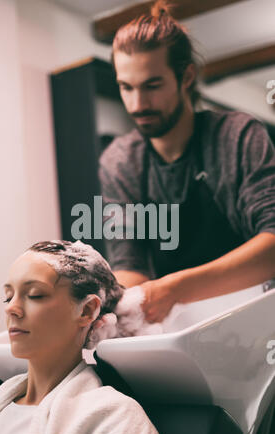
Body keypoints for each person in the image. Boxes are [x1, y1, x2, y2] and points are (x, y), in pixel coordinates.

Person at [98, 0, 275, 324]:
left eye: (153, 86)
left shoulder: (237, 136)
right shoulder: (120, 161)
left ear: (186, 77)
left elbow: (273, 244)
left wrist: (177, 288)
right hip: (182, 326)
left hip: (260, 315)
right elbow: (130, 265)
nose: (138, 104)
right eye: (126, 87)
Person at [0, 240, 165, 434]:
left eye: (35, 295)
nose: (11, 308)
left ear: (86, 311)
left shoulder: (112, 417)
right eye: (8, 297)